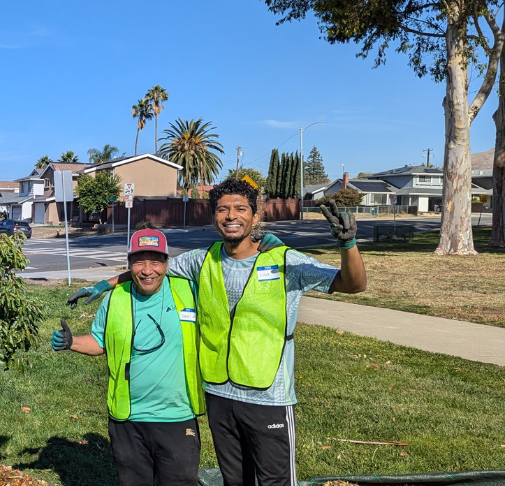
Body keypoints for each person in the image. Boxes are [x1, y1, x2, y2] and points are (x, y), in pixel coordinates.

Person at [68, 180, 367, 486]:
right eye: (223, 209)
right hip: (219, 396)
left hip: (269, 397)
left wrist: (347, 245)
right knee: (235, 481)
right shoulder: (202, 260)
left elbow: (352, 284)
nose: (231, 216)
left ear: (255, 215)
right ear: (214, 217)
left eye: (240, 208)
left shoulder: (285, 260)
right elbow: (150, 267)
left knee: (275, 481)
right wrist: (106, 284)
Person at [52, 228, 205, 486]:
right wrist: (72, 342)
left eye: (156, 261)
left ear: (168, 264)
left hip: (178, 415)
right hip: (129, 419)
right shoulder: (115, 299)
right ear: (129, 264)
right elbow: (100, 342)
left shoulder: (189, 290)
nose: (147, 270)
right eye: (139, 262)